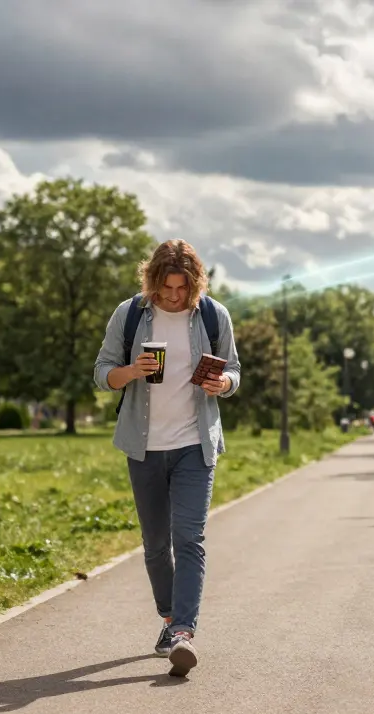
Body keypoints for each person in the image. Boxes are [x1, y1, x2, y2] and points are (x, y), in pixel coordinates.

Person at [93, 239, 241, 677]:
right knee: (156, 546)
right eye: (166, 288)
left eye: (182, 288)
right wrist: (131, 371)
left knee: (189, 537)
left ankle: (182, 633)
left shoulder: (213, 315)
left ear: (195, 284)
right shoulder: (130, 314)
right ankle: (168, 617)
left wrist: (223, 385)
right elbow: (102, 373)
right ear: (152, 281)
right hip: (144, 448)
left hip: (195, 445)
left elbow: (233, 369)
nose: (174, 296)